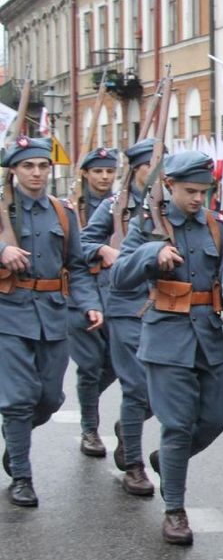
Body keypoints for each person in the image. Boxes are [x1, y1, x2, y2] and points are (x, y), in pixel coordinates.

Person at [111, 150, 223, 544]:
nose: (197, 199)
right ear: (169, 185)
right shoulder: (147, 225)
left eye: (204, 191)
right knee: (177, 424)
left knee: (216, 419)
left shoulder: (219, 227)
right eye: (190, 191)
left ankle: (168, 460)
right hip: (166, 337)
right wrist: (150, 254)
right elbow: (119, 277)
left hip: (209, 336)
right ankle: (174, 509)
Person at [0, 136, 103, 506]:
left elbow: (77, 266)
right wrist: (2, 249)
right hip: (9, 313)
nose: (36, 173)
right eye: (28, 166)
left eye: (43, 166)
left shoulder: (63, 212)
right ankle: (22, 476)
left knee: (49, 398)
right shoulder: (2, 208)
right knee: (18, 399)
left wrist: (89, 303)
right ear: (14, 170)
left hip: (53, 313)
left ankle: (15, 438)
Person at [79, 139, 159, 496]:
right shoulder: (115, 206)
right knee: (137, 385)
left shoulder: (171, 205)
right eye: (150, 167)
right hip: (126, 303)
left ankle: (128, 428)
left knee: (161, 390)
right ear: (137, 170)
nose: (157, 174)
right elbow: (81, 244)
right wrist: (103, 249)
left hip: (166, 305)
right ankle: (134, 466)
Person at [68, 147, 120, 458]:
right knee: (89, 365)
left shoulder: (123, 207)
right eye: (98, 171)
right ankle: (90, 428)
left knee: (114, 363)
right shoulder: (69, 207)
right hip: (78, 293)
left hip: (112, 293)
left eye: (109, 171)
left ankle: (88, 399)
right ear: (85, 173)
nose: (104, 177)